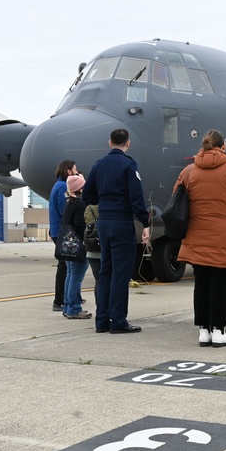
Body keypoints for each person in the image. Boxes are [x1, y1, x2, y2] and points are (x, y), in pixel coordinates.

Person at [173, 130, 226, 347]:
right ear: (223, 147)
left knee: (201, 283)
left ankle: (203, 331)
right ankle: (219, 331)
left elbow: (177, 199)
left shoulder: (189, 171)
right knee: (220, 284)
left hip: (196, 235)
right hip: (224, 237)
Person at [82, 129, 150, 334]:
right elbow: (136, 197)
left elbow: (88, 195)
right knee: (121, 274)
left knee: (105, 272)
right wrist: (145, 222)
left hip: (104, 222)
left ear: (110, 142)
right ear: (127, 144)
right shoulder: (129, 165)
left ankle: (101, 320)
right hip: (121, 222)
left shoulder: (98, 165)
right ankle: (118, 320)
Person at [49, 159, 79, 312]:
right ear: (68, 171)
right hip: (62, 231)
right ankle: (60, 300)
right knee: (65, 266)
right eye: (75, 169)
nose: (77, 171)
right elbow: (65, 211)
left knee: (66, 266)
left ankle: (69, 297)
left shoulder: (57, 185)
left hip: (57, 231)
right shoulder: (62, 187)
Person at [60, 175, 91, 320]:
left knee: (70, 275)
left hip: (68, 245)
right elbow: (81, 226)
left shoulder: (69, 203)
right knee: (76, 277)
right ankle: (74, 308)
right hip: (78, 247)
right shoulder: (80, 204)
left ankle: (67, 306)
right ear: (80, 188)